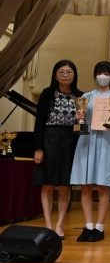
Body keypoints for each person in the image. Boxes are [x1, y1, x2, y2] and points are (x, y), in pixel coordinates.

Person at [71, 61, 110, 242]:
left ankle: (99, 227)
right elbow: (79, 123)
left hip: (105, 142)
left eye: (106, 73)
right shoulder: (86, 97)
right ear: (95, 75)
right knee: (86, 185)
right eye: (100, 72)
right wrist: (79, 117)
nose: (103, 76)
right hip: (86, 141)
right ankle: (88, 226)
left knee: (103, 185)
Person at [33, 60, 83, 240]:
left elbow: (83, 126)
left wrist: (82, 119)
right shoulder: (47, 94)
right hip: (49, 138)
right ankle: (47, 224)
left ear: (74, 75)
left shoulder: (80, 96)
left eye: (69, 72)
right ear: (55, 75)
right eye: (61, 72)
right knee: (47, 184)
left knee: (64, 184)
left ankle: (59, 225)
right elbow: (39, 123)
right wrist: (38, 148)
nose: (65, 75)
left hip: (71, 141)